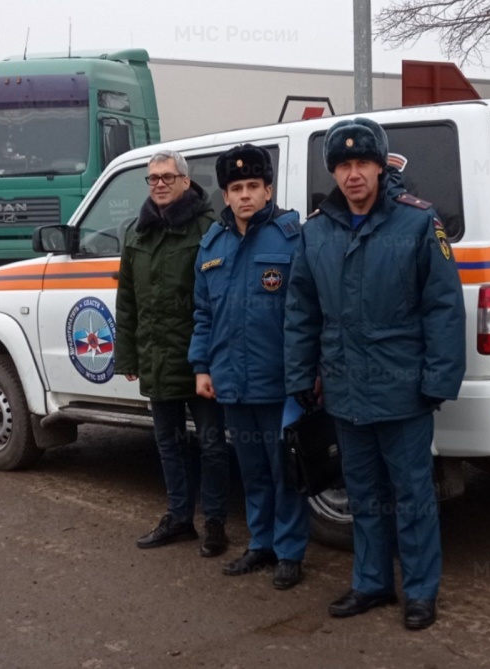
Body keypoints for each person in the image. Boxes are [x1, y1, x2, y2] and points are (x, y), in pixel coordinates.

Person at [283, 118, 466, 629]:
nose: (353, 174)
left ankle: (421, 592)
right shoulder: (315, 232)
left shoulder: (418, 223)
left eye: (362, 162)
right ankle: (371, 583)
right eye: (343, 165)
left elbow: (444, 307)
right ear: (334, 172)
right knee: (362, 495)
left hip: (403, 388)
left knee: (412, 496)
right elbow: (302, 310)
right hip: (344, 391)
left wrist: (437, 380)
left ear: (381, 166)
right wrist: (301, 375)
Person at [188, 144, 310, 590]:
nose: (245, 195)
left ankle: (290, 552)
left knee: (286, 472)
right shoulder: (211, 245)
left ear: (268, 189)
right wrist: (202, 367)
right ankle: (261, 544)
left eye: (253, 186)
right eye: (236, 188)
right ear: (225, 194)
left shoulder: (292, 237)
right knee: (253, 471)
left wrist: (306, 373)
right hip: (231, 383)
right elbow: (203, 313)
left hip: (279, 383)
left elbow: (307, 311)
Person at [115, 150, 230, 558]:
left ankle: (215, 522)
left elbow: (220, 301)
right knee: (169, 444)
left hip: (200, 362)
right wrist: (127, 357)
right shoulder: (136, 233)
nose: (159, 184)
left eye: (167, 177)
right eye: (152, 179)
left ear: (185, 181)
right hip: (157, 357)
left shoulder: (210, 229)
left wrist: (215, 359)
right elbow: (126, 301)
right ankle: (179, 518)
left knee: (214, 446)